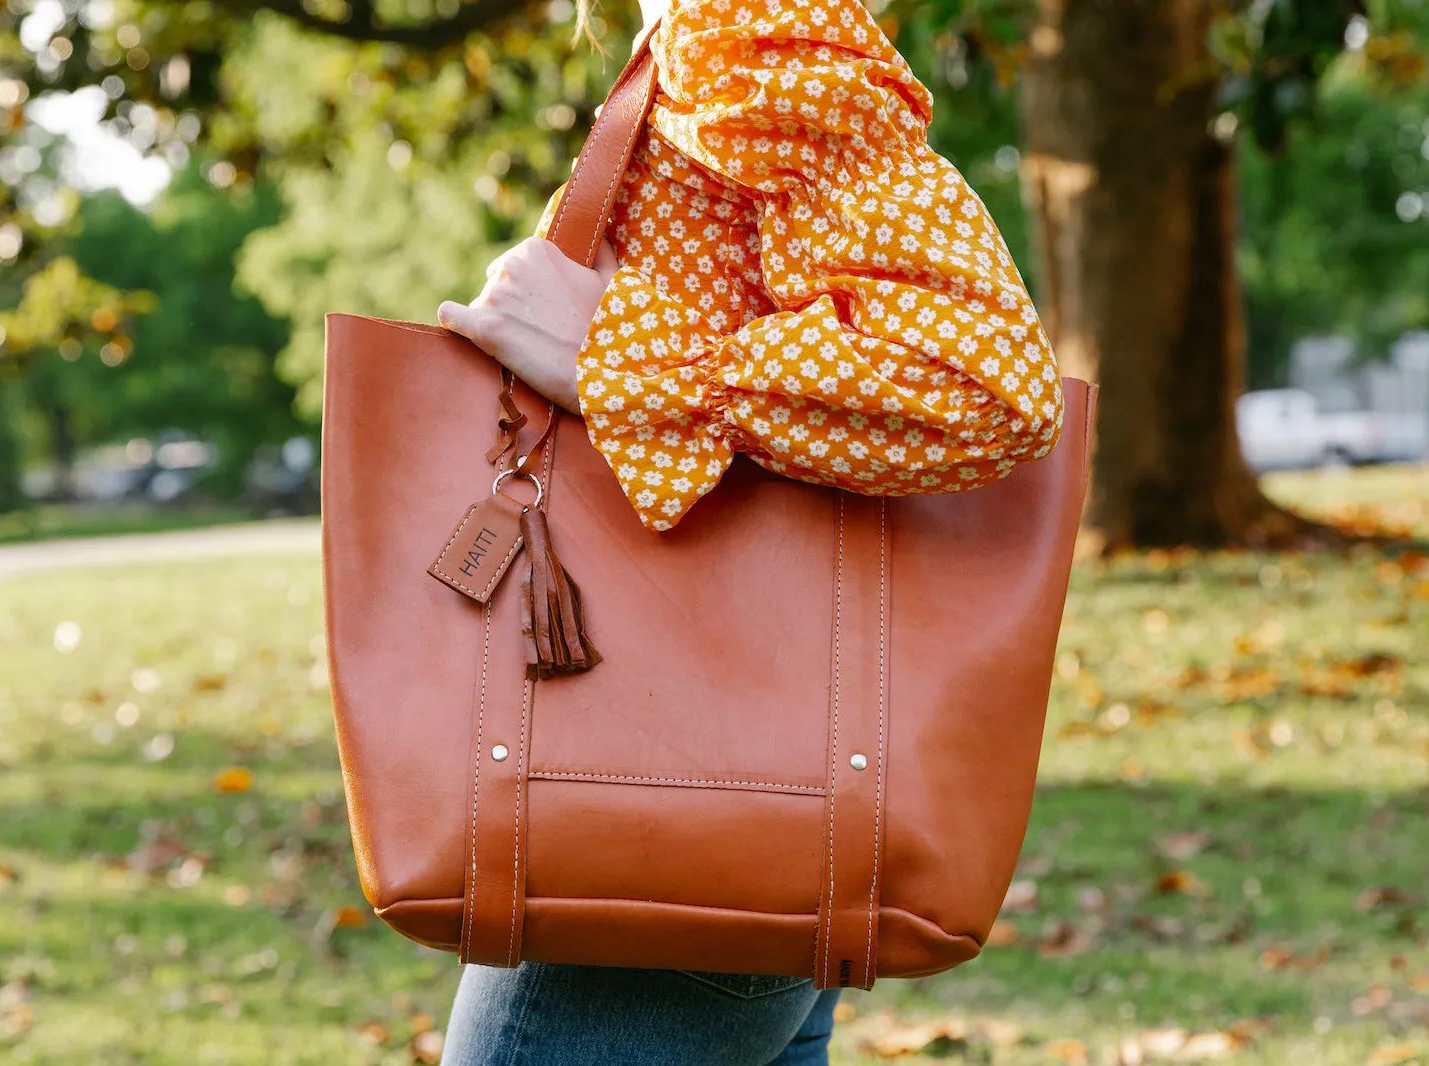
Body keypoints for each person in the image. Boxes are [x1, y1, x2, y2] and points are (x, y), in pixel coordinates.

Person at [434, 0, 1062, 1056]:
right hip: (719, 788)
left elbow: (988, 385)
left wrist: (620, 349)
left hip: (660, 810)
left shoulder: (745, 31)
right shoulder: (699, 45)